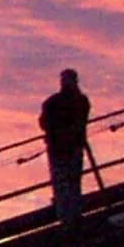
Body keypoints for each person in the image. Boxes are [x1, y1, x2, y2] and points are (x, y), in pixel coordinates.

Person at [40, 70, 92, 226]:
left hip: (61, 147)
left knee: (64, 182)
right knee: (71, 181)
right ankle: (72, 215)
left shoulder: (53, 102)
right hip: (69, 146)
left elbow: (44, 123)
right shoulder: (80, 101)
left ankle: (67, 217)